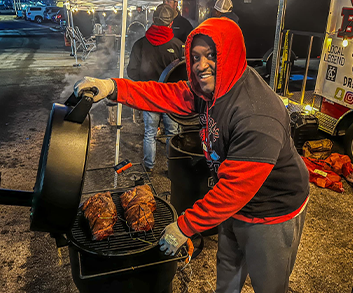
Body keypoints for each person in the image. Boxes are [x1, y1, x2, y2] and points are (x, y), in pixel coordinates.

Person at [74, 17, 309, 293]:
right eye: (195, 57)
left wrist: (185, 226)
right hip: (235, 209)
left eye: (211, 56)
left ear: (230, 55)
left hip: (272, 212)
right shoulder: (212, 89)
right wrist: (115, 87)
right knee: (228, 276)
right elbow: (166, 94)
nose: (200, 65)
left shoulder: (257, 114)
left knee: (268, 286)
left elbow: (235, 189)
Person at [127, 4, 183, 173]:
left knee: (150, 133)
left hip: (148, 94)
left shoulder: (139, 44)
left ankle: (149, 166)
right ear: (171, 23)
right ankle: (172, 168)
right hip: (170, 97)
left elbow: (131, 72)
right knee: (172, 134)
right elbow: (184, 74)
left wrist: (144, 82)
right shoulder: (178, 45)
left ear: (153, 20)